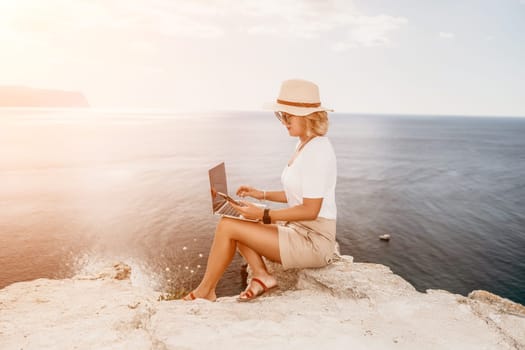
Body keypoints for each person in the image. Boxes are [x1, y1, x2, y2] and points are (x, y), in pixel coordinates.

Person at [183, 79, 338, 302]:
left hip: (313, 241)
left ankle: (205, 292)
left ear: (307, 116)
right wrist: (261, 194)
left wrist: (265, 214)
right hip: (299, 229)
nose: (283, 121)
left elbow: (311, 209)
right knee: (240, 216)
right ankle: (261, 275)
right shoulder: (304, 144)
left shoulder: (318, 151)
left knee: (228, 227)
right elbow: (297, 196)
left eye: (287, 116)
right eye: (280, 116)